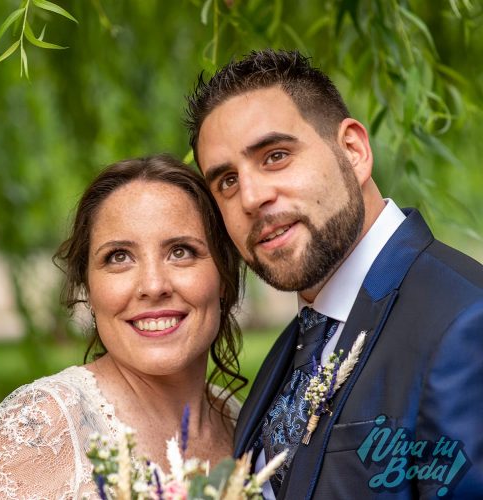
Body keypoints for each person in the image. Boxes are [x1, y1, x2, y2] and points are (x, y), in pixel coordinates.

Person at [186, 49, 483, 499]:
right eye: (226, 181)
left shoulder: (465, 322)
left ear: (354, 151)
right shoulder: (292, 348)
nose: (250, 197)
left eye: (275, 155)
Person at [0, 154, 246, 499]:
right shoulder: (47, 428)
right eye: (119, 257)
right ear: (89, 289)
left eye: (181, 251)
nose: (153, 284)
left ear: (223, 276)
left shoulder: (240, 421)